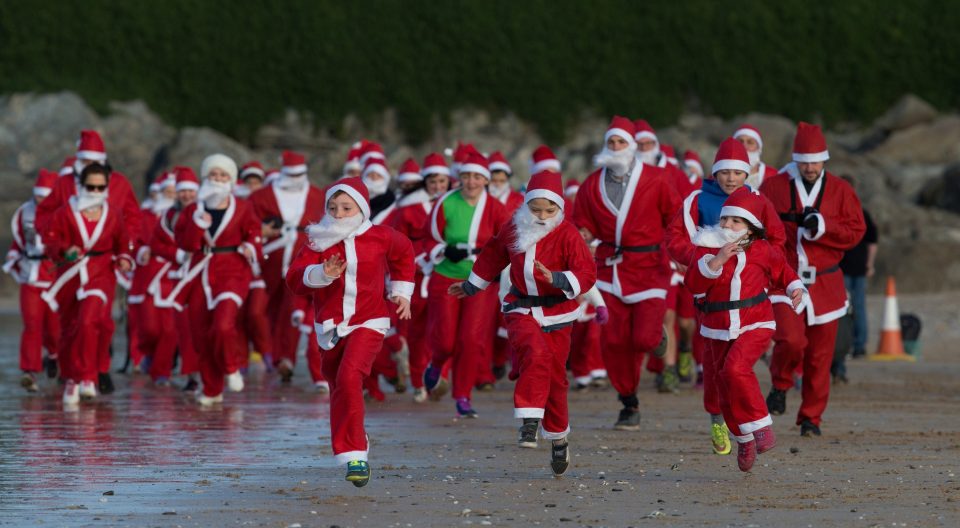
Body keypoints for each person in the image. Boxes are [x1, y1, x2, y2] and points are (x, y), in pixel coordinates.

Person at [448, 170, 596, 476]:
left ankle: (558, 439)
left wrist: (554, 278)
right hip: (520, 308)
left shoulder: (568, 234)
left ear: (559, 209)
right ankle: (529, 420)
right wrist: (472, 285)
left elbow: (586, 273)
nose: (542, 216)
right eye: (536, 209)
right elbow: (492, 255)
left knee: (556, 380)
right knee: (535, 354)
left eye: (549, 210)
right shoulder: (513, 227)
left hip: (558, 313)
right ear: (525, 205)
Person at [285, 177, 415, 487]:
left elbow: (404, 254)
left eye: (346, 207)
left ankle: (354, 455)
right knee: (338, 385)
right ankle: (356, 435)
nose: (339, 213)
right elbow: (294, 280)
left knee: (349, 377)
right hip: (329, 326)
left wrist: (401, 291)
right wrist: (321, 273)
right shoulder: (317, 241)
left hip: (369, 321)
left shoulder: (381, 236)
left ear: (362, 208)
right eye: (333, 207)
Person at [665, 137, 787, 455]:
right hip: (709, 288)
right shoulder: (696, 198)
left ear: (747, 173)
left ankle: (750, 427)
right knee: (713, 364)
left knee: (737, 365)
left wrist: (756, 263)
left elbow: (776, 238)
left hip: (748, 291)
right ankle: (717, 417)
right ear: (714, 172)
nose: (731, 178)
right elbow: (674, 237)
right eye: (725, 172)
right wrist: (704, 257)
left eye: (737, 172)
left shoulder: (759, 199)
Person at [684, 187, 806, 471]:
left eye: (735, 221)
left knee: (735, 369)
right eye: (725, 219)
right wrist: (717, 261)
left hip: (756, 322)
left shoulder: (763, 250)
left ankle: (762, 427)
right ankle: (743, 438)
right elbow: (693, 284)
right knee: (724, 388)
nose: (727, 225)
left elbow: (783, 272)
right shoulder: (706, 247)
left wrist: (795, 288)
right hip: (716, 327)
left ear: (751, 228)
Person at [572, 116, 680, 430]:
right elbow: (582, 221)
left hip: (649, 268)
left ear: (632, 146)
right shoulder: (592, 184)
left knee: (643, 337)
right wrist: (584, 232)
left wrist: (681, 254)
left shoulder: (657, 178)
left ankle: (655, 339)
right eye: (612, 142)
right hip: (609, 270)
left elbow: (675, 218)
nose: (616, 147)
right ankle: (628, 401)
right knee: (614, 341)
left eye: (621, 142)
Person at [761, 122, 866, 437]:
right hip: (784, 279)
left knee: (822, 356)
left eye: (815, 160)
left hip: (825, 283)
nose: (809, 167)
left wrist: (823, 226)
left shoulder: (841, 191)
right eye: (803, 160)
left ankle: (811, 418)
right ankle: (780, 384)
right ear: (795, 158)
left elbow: (855, 232)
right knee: (791, 340)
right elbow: (758, 228)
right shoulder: (774, 187)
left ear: (825, 159)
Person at [36, 130, 142, 394]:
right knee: (71, 322)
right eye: (83, 160)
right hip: (70, 265)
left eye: (93, 161)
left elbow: (132, 219)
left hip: (104, 264)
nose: (88, 168)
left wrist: (125, 251)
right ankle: (72, 372)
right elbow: (45, 216)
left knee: (99, 321)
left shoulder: (119, 184)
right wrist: (56, 243)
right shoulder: (63, 185)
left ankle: (97, 370)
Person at [421, 152, 510, 417]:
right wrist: (443, 250)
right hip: (447, 276)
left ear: (486, 180)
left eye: (477, 177)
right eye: (466, 176)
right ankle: (436, 364)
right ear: (458, 177)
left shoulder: (495, 207)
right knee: (446, 340)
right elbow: (426, 238)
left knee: (471, 340)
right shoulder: (445, 202)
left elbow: (506, 243)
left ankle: (463, 396)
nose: (471, 182)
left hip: (480, 282)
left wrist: (495, 270)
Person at [171, 154, 262, 405]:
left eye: (223, 175)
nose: (218, 179)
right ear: (206, 178)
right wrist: (197, 225)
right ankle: (212, 388)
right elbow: (186, 243)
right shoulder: (193, 209)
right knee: (201, 334)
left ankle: (231, 367)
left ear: (231, 180)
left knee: (223, 325)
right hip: (200, 271)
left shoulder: (242, 207)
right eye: (213, 175)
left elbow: (254, 232)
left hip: (232, 271)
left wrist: (250, 247)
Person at [249, 151, 326, 387]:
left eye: (299, 174)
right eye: (291, 174)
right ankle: (272, 353)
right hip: (268, 260)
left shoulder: (316, 195)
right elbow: (250, 223)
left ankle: (286, 358)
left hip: (303, 257)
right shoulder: (262, 196)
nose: (295, 179)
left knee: (292, 308)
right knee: (266, 310)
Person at [394, 153, 451, 402]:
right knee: (418, 330)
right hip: (418, 275)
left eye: (442, 181)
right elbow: (398, 243)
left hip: (448, 273)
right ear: (424, 183)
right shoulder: (409, 210)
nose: (438, 187)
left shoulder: (457, 204)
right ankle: (418, 381)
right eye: (432, 182)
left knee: (444, 330)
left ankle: (438, 378)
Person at [6, 169, 61, 392]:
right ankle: (29, 370)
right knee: (31, 324)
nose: (41, 200)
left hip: (54, 275)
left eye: (45, 196)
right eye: (38, 195)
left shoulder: (61, 212)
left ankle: (55, 355)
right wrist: (13, 256)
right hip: (30, 275)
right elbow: (18, 240)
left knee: (54, 327)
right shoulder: (23, 212)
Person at [145, 167, 201, 387]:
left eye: (190, 191)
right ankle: (174, 373)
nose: (186, 195)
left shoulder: (206, 212)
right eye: (182, 191)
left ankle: (197, 374)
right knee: (174, 328)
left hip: (200, 278)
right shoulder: (169, 216)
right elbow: (156, 243)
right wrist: (177, 254)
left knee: (194, 328)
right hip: (174, 279)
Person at [838, 175, 878, 361]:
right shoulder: (839, 212)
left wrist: (870, 265)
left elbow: (872, 241)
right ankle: (847, 346)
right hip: (842, 269)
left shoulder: (861, 213)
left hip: (855, 269)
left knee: (857, 307)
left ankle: (859, 345)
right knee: (845, 309)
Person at [734, 125, 778, 190]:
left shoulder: (773, 175)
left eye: (750, 142)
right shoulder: (723, 173)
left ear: (758, 148)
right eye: (740, 141)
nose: (744, 146)